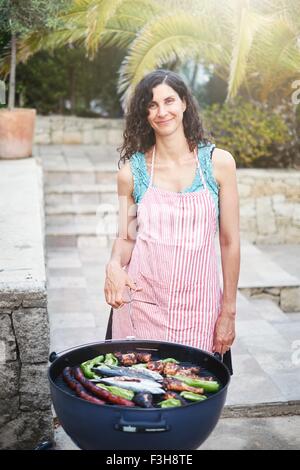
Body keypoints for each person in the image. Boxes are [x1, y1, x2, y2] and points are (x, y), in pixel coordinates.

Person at [104, 69, 240, 372]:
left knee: (189, 398)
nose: (161, 111)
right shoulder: (131, 173)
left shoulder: (219, 165)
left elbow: (230, 242)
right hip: (142, 307)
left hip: (199, 310)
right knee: (141, 400)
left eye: (169, 101)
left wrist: (228, 311)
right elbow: (126, 238)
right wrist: (114, 265)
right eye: (151, 105)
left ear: (184, 104)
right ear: (144, 113)